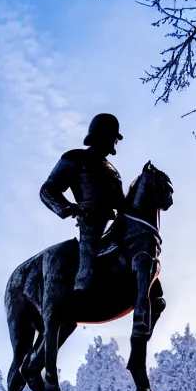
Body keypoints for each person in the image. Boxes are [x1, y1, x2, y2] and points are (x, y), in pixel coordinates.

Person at [40, 113, 125, 295]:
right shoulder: (74, 159)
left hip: (114, 227)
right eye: (112, 138)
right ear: (101, 135)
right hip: (90, 225)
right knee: (89, 261)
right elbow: (48, 190)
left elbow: (122, 205)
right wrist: (67, 207)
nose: (113, 144)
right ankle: (81, 292)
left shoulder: (113, 173)